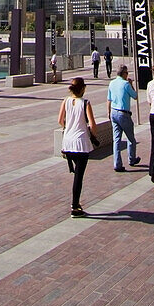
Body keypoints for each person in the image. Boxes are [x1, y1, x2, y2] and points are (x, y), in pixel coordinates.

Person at [58, 77, 99, 216]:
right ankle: (75, 206)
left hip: (67, 142)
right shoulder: (86, 103)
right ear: (82, 88)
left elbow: (60, 120)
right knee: (78, 177)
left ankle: (77, 204)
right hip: (81, 143)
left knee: (77, 174)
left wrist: (68, 128)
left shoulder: (66, 101)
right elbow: (92, 124)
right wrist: (93, 136)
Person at [107, 64, 140, 171]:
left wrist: (109, 113)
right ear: (124, 73)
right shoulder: (126, 84)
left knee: (116, 140)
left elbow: (109, 99)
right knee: (131, 138)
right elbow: (135, 96)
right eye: (127, 73)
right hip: (123, 113)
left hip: (113, 111)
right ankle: (132, 158)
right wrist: (131, 84)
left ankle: (117, 164)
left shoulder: (111, 83)